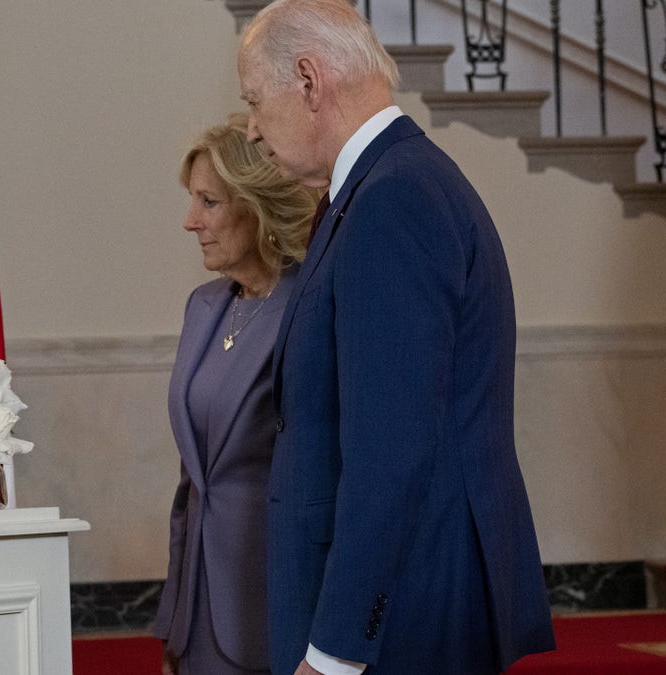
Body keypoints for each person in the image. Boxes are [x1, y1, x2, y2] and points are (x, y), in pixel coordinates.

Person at [236, 1, 556, 674]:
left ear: (308, 79)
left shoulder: (393, 198)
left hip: (404, 617)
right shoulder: (382, 185)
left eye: (255, 102)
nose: (252, 130)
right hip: (406, 599)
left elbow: (391, 449)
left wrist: (336, 651)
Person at [153, 114, 319, 675]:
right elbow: (190, 484)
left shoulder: (310, 309)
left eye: (209, 202)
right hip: (199, 608)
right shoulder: (205, 306)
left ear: (258, 206)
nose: (189, 221)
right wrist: (174, 623)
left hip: (275, 598)